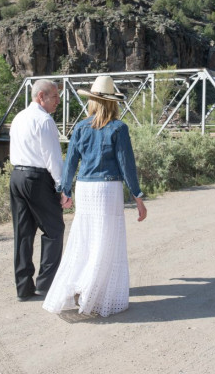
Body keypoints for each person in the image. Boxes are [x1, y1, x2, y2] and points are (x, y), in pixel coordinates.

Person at [42, 75, 147, 317]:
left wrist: (65, 191)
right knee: (105, 241)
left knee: (84, 239)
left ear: (92, 101)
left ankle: (78, 287)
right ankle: (94, 293)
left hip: (86, 188)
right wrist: (137, 197)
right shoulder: (119, 128)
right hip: (108, 189)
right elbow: (126, 165)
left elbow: (70, 163)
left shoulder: (80, 127)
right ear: (113, 103)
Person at [9, 79, 72, 301]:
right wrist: (63, 188)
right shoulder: (44, 121)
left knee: (23, 234)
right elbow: (53, 158)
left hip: (16, 176)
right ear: (41, 97)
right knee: (54, 230)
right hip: (37, 178)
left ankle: (23, 288)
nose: (58, 101)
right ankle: (47, 285)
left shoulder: (18, 117)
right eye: (54, 97)